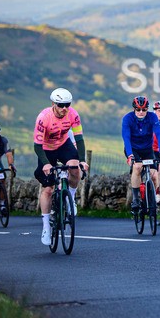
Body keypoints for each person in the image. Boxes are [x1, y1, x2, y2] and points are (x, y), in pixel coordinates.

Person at [33, 88, 90, 246]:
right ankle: (46, 226)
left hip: (64, 145)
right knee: (49, 189)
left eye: (67, 104)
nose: (64, 108)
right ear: (53, 104)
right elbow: (37, 146)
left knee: (75, 168)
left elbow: (79, 139)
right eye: (61, 105)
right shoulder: (44, 117)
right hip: (46, 149)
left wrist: (82, 160)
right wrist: (45, 163)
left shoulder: (73, 114)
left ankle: (71, 196)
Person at [121, 96, 160, 212]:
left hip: (147, 149)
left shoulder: (152, 117)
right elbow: (126, 138)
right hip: (133, 148)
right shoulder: (127, 119)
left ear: (147, 109)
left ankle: (154, 196)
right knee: (137, 167)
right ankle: (136, 199)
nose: (141, 112)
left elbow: (159, 135)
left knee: (154, 174)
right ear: (134, 109)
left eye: (144, 110)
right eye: (138, 110)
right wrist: (130, 155)